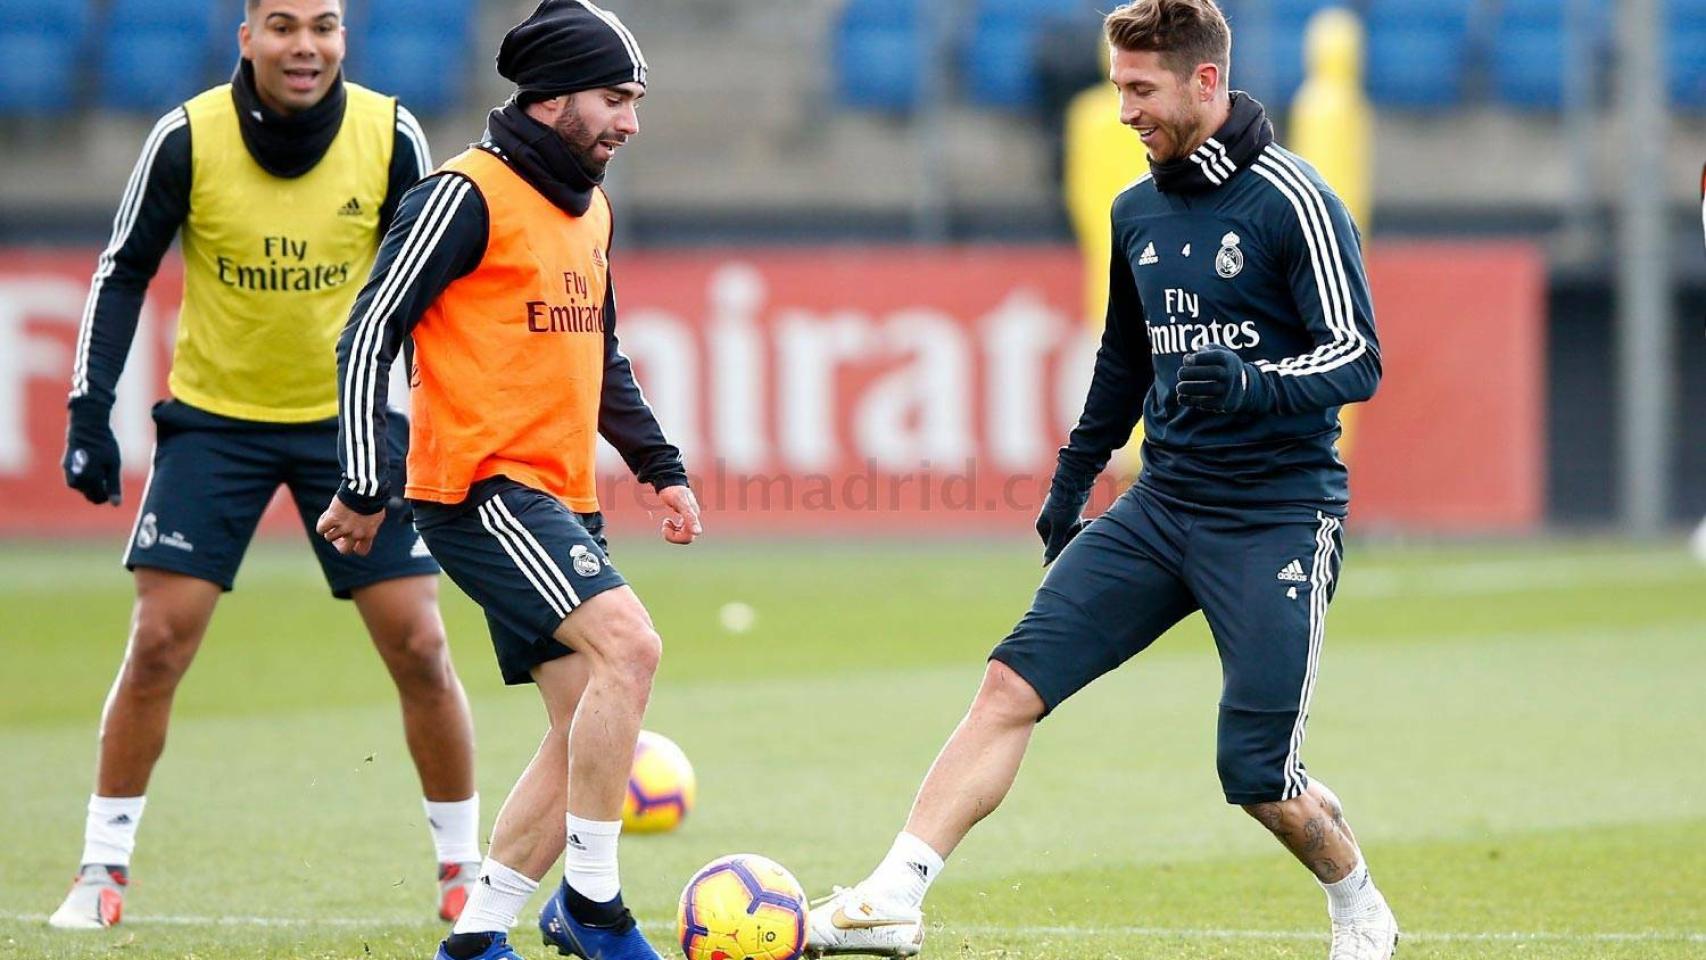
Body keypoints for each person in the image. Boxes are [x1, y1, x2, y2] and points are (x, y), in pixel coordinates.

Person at [803, 2, 1397, 959]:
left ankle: (1359, 902)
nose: (1124, 109)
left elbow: (1357, 357)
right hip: (1163, 507)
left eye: (1141, 89)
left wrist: (1251, 383)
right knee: (1010, 683)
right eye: (1119, 87)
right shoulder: (1137, 210)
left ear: (1206, 82)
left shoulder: (1295, 199)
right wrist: (1072, 480)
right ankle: (894, 895)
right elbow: (1123, 363)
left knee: (1257, 775)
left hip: (1277, 519)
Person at [53, 0, 481, 930]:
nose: (305, 45)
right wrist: (90, 412)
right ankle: (102, 871)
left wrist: (417, 425)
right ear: (245, 36)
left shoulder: (392, 133)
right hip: (216, 424)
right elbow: (122, 270)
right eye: (281, 24)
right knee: (160, 641)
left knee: (418, 643)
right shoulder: (186, 137)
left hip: (349, 428)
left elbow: (431, 294)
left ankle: (462, 871)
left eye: (323, 25)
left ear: (344, 36)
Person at [316, 3, 700, 959]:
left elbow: (601, 353)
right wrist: (365, 481)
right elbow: (369, 332)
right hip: (480, 490)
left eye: (637, 100)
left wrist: (659, 466)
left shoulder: (591, 205)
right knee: (633, 649)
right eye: (616, 98)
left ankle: (481, 932)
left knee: (581, 717)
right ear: (553, 96)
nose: (631, 122)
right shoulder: (462, 194)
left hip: (558, 494)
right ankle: (594, 904)